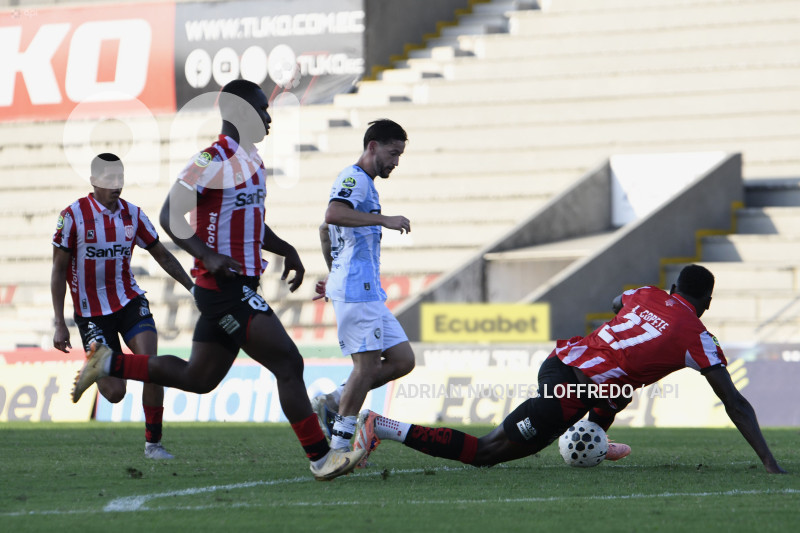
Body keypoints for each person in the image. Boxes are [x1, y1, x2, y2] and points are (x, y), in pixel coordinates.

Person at [70, 79, 365, 481]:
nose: (268, 116)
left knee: (199, 378)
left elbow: (250, 224)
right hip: (224, 291)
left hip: (237, 288)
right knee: (289, 362)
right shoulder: (211, 160)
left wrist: (284, 249)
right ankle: (321, 457)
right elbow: (170, 214)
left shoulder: (253, 162)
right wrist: (206, 255)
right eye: (262, 109)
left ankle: (109, 362)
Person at [353, 264, 787, 474]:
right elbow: (735, 402)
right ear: (707, 303)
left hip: (561, 360)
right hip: (571, 390)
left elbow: (619, 303)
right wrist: (768, 460)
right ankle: (381, 425)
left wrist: (633, 323)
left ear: (675, 288)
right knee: (486, 453)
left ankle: (593, 435)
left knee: (620, 388)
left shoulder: (647, 293)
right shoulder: (699, 338)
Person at [52, 153, 194, 459]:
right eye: (109, 179)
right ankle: (97, 364)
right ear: (93, 181)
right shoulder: (73, 216)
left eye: (120, 178)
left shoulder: (133, 214)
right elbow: (58, 270)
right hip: (91, 314)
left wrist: (192, 287)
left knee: (151, 365)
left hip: (129, 302)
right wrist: (59, 322)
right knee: (115, 394)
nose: (117, 185)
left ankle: (153, 444)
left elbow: (162, 255)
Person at [310, 119, 416, 463]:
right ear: (373, 146)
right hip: (358, 290)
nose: (396, 161)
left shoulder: (364, 183)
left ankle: (335, 400)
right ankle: (339, 446)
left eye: (400, 154)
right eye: (393, 152)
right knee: (367, 367)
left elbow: (325, 231)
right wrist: (384, 220)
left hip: (362, 288)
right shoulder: (354, 178)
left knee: (402, 360)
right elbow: (333, 213)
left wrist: (333, 273)